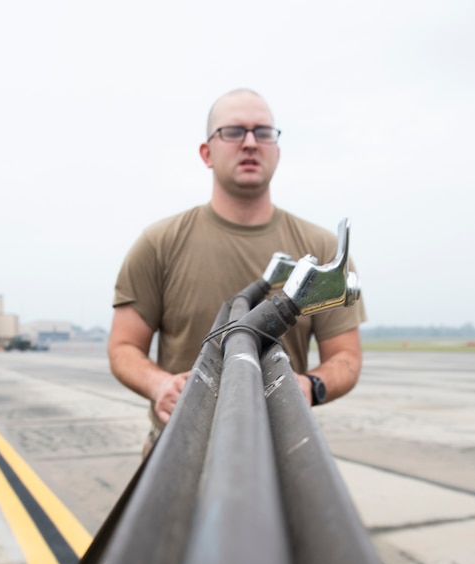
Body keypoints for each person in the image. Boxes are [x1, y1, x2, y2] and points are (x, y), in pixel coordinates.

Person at [108, 89, 366, 450]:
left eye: (263, 132)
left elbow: (346, 358)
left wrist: (309, 386)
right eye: (233, 132)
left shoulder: (321, 248)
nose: (250, 143)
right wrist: (160, 385)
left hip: (283, 461)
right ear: (206, 153)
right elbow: (122, 347)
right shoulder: (158, 244)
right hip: (175, 458)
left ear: (277, 151)